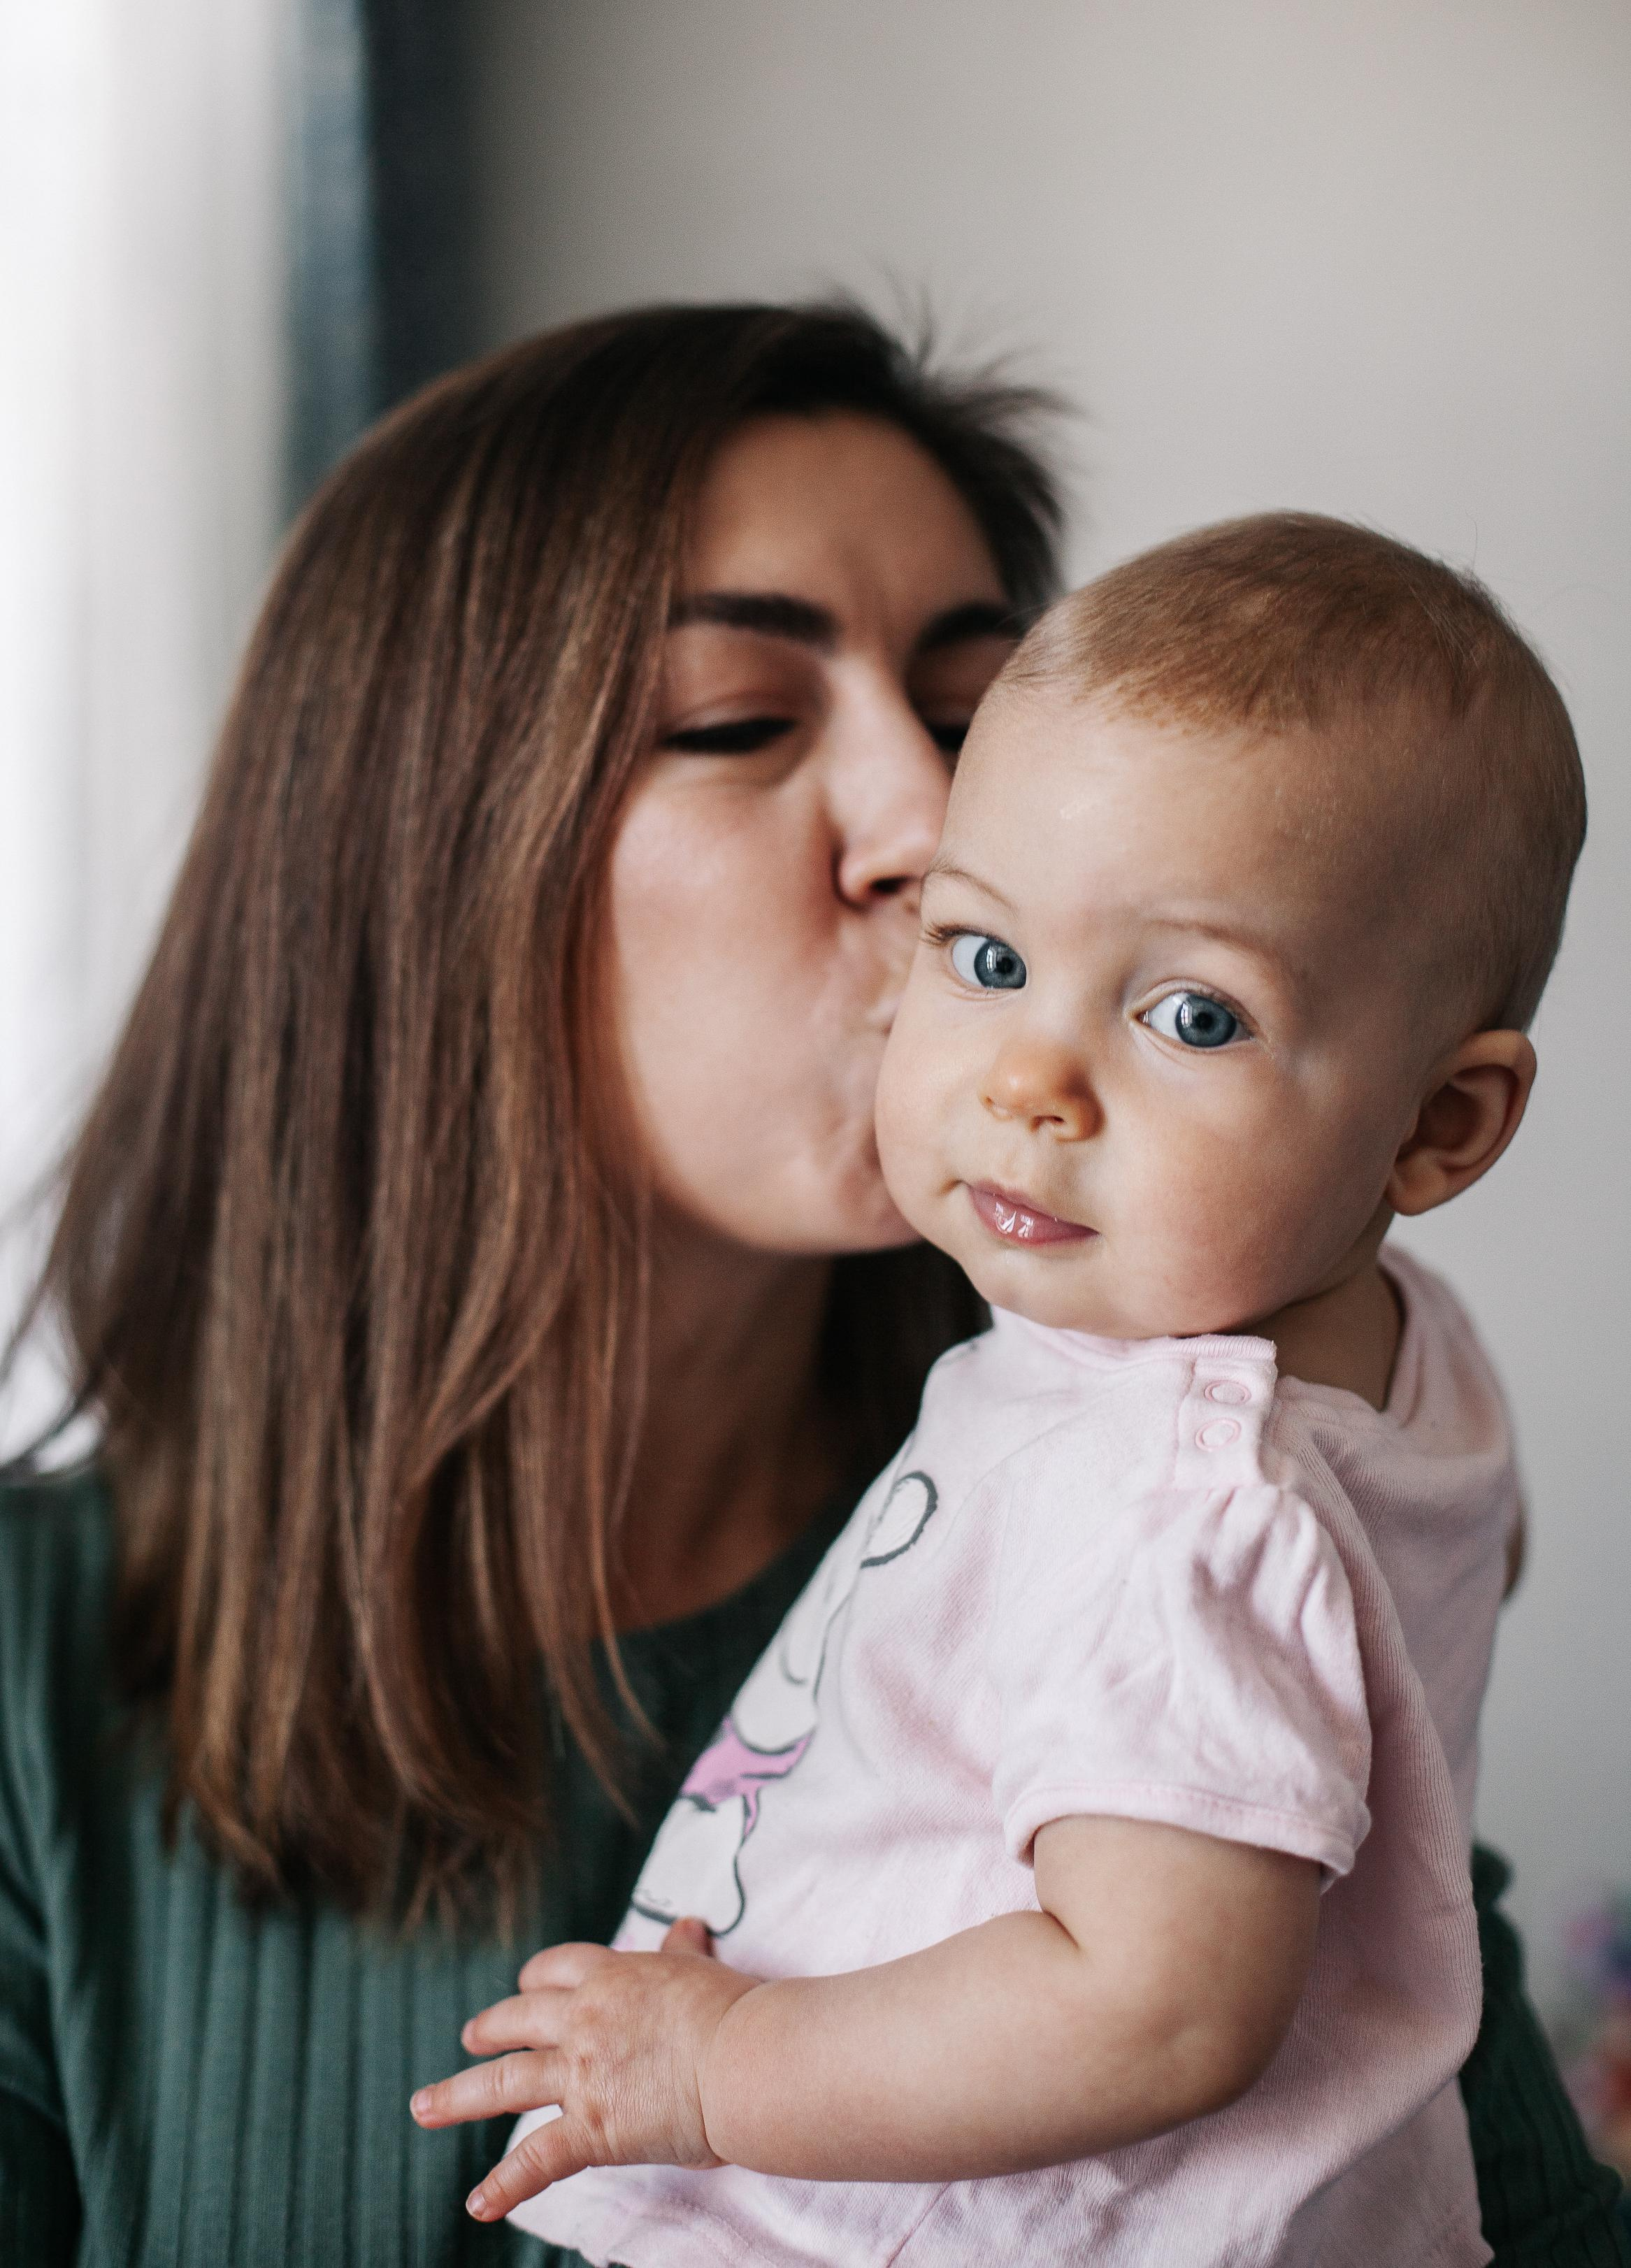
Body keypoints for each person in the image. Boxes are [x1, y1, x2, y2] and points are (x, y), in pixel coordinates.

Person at [0, 308, 1621, 2268]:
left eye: (965, 710)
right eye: (737, 722)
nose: (934, 827)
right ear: (413, 859)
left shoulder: (1190, 1519)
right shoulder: (32, 1675)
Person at [417, 515, 1576, 2265]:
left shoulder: (1169, 1497)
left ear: (1441, 1124)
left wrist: (725, 2063)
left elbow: (1159, 2010)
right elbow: (1469, 1566)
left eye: (1192, 1016)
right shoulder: (1398, 1354)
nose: (1035, 1080)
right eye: (986, 957)